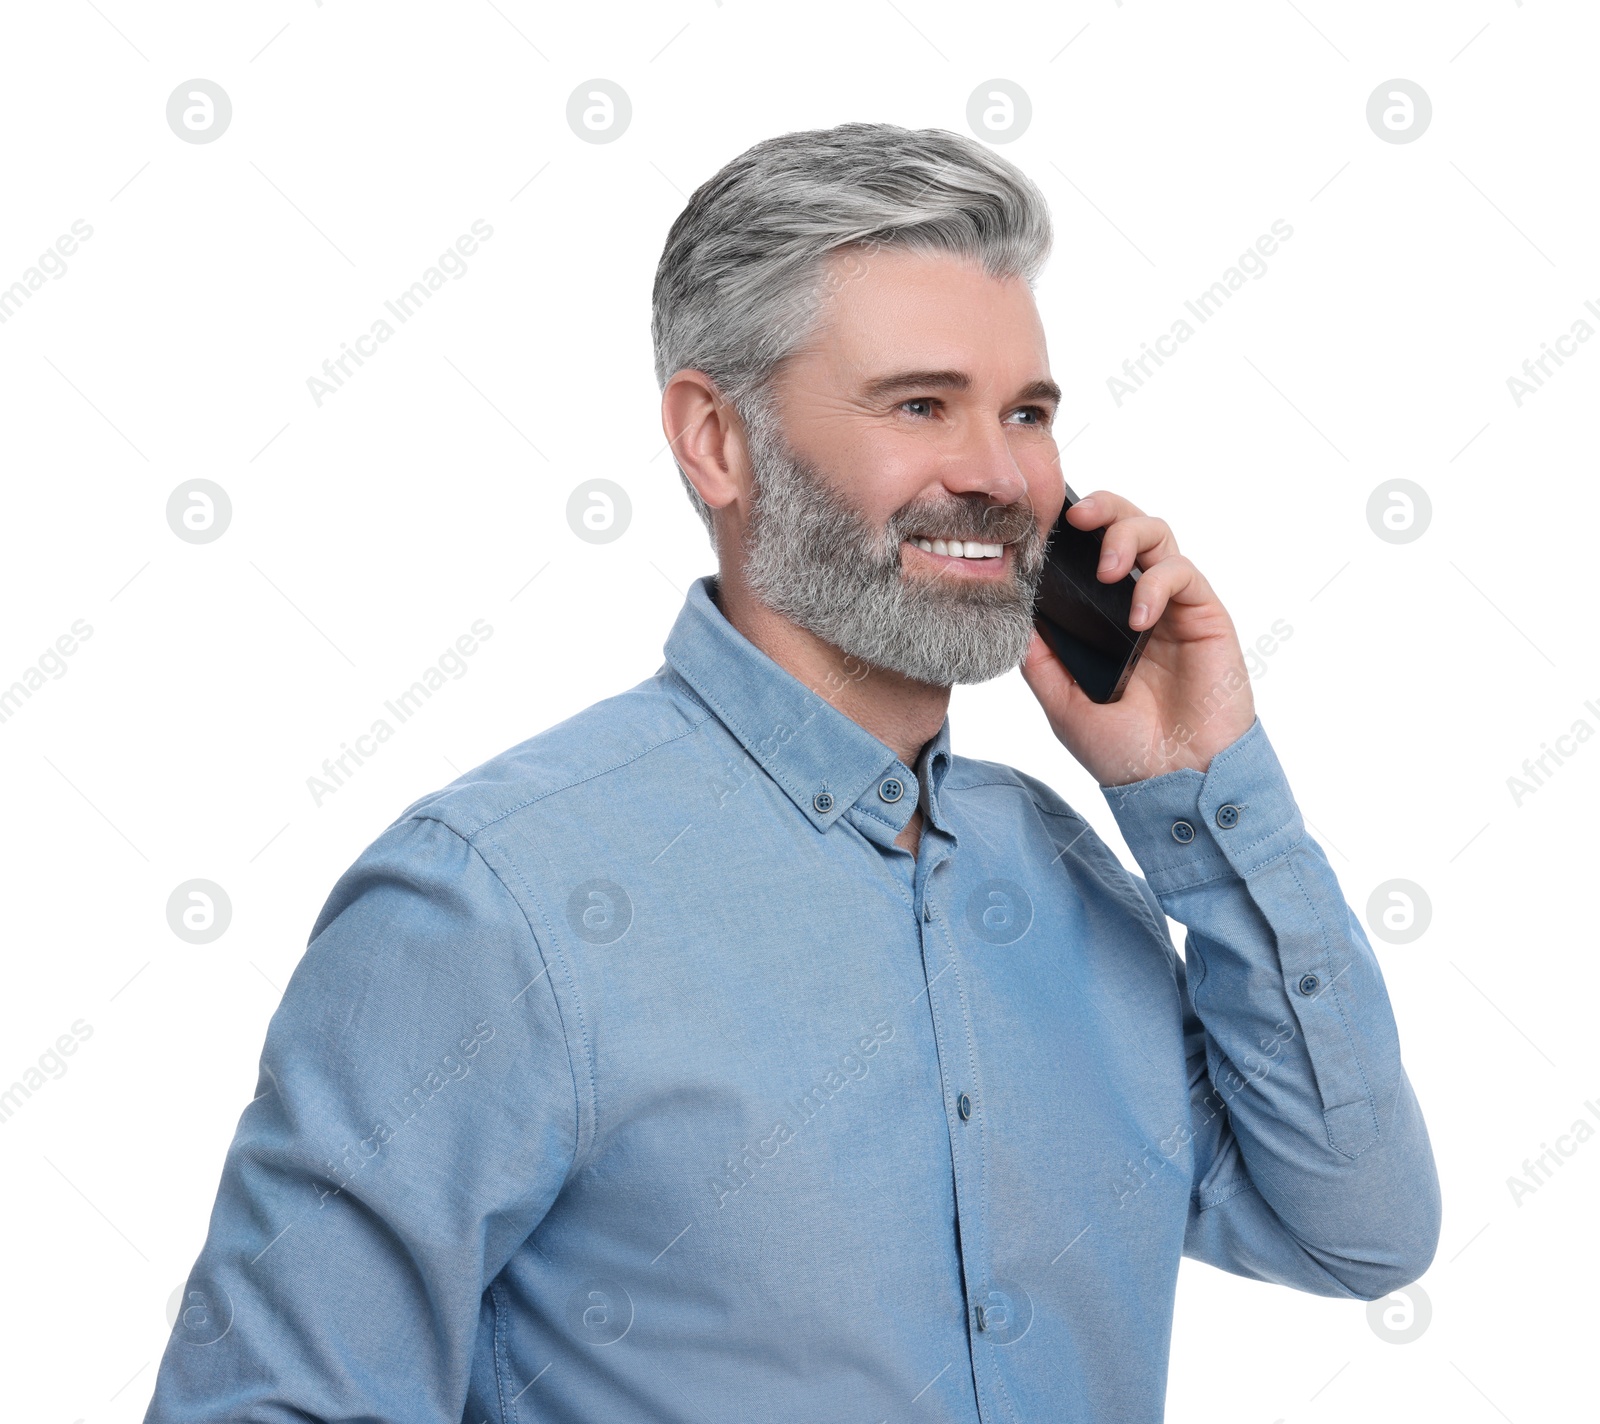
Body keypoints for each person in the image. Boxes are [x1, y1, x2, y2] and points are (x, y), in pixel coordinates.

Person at [145, 121, 1440, 1424]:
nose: (1001, 474)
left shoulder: (1069, 873)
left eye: (1030, 413)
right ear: (717, 440)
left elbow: (1357, 1229)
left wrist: (1196, 787)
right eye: (922, 404)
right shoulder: (493, 902)